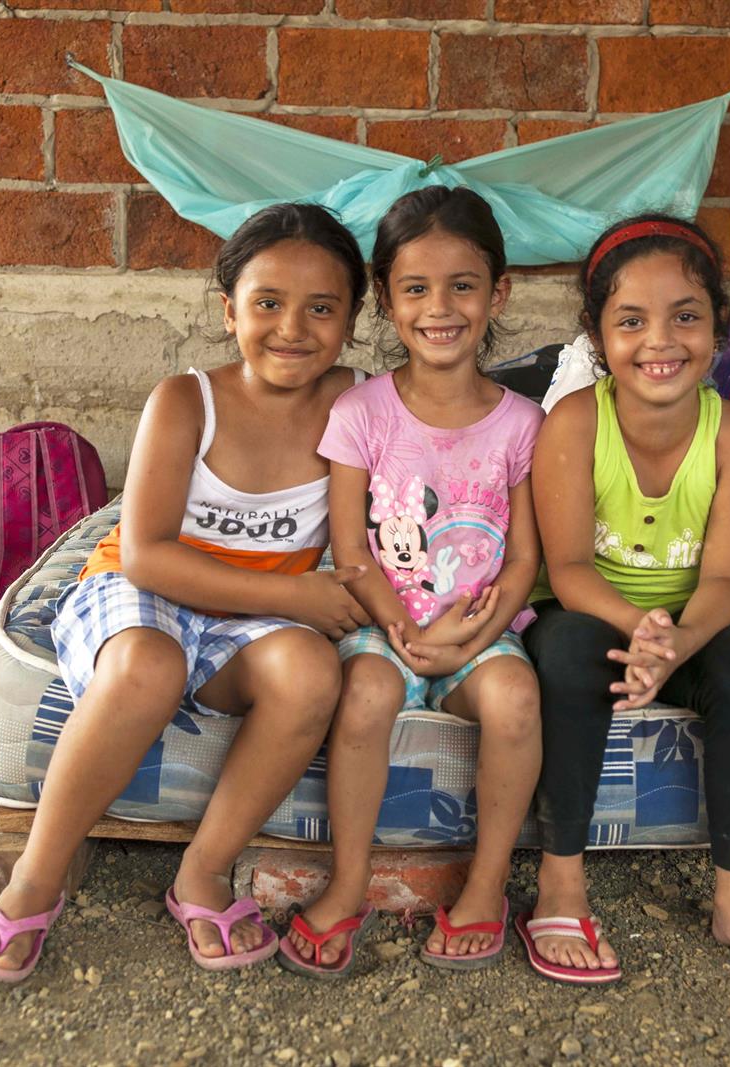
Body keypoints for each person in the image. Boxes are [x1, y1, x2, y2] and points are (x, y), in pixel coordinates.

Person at [0, 203, 372, 982]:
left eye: (323, 307)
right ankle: (37, 877)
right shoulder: (186, 400)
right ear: (228, 310)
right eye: (267, 303)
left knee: (312, 674)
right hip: (147, 589)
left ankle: (203, 872)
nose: (293, 327)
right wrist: (297, 597)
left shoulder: (357, 404)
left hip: (256, 620)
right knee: (148, 668)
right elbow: (146, 555)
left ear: (351, 318)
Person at [520, 214, 730, 991]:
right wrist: (639, 631)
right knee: (564, 653)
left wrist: (675, 642)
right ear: (598, 336)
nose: (659, 342)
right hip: (590, 613)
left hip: (688, 624)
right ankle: (560, 886)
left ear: (719, 329)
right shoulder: (572, 422)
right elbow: (565, 568)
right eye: (631, 320)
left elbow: (727, 582)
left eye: (686, 317)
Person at [279, 186, 544, 978]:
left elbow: (525, 558)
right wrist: (404, 631)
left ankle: (486, 886)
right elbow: (351, 549)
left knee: (518, 702)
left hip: (477, 629)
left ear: (498, 292)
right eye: (415, 288)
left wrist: (470, 633)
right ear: (386, 299)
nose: (440, 308)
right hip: (380, 621)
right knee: (361, 696)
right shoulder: (363, 412)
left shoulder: (522, 424)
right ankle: (349, 881)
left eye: (463, 285)